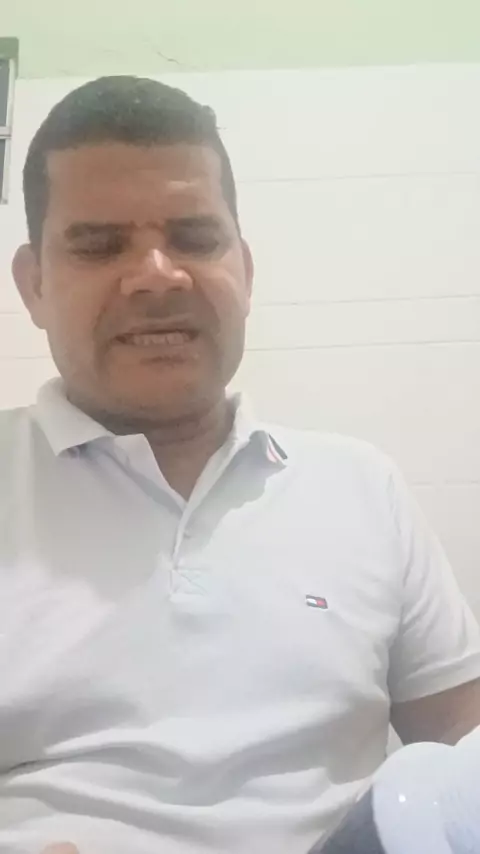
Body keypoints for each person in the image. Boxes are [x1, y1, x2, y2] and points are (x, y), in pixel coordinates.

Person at [1, 75, 479, 854]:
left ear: (245, 271)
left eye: (195, 237)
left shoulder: (362, 487)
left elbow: (463, 739)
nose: (158, 273)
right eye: (99, 245)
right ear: (34, 285)